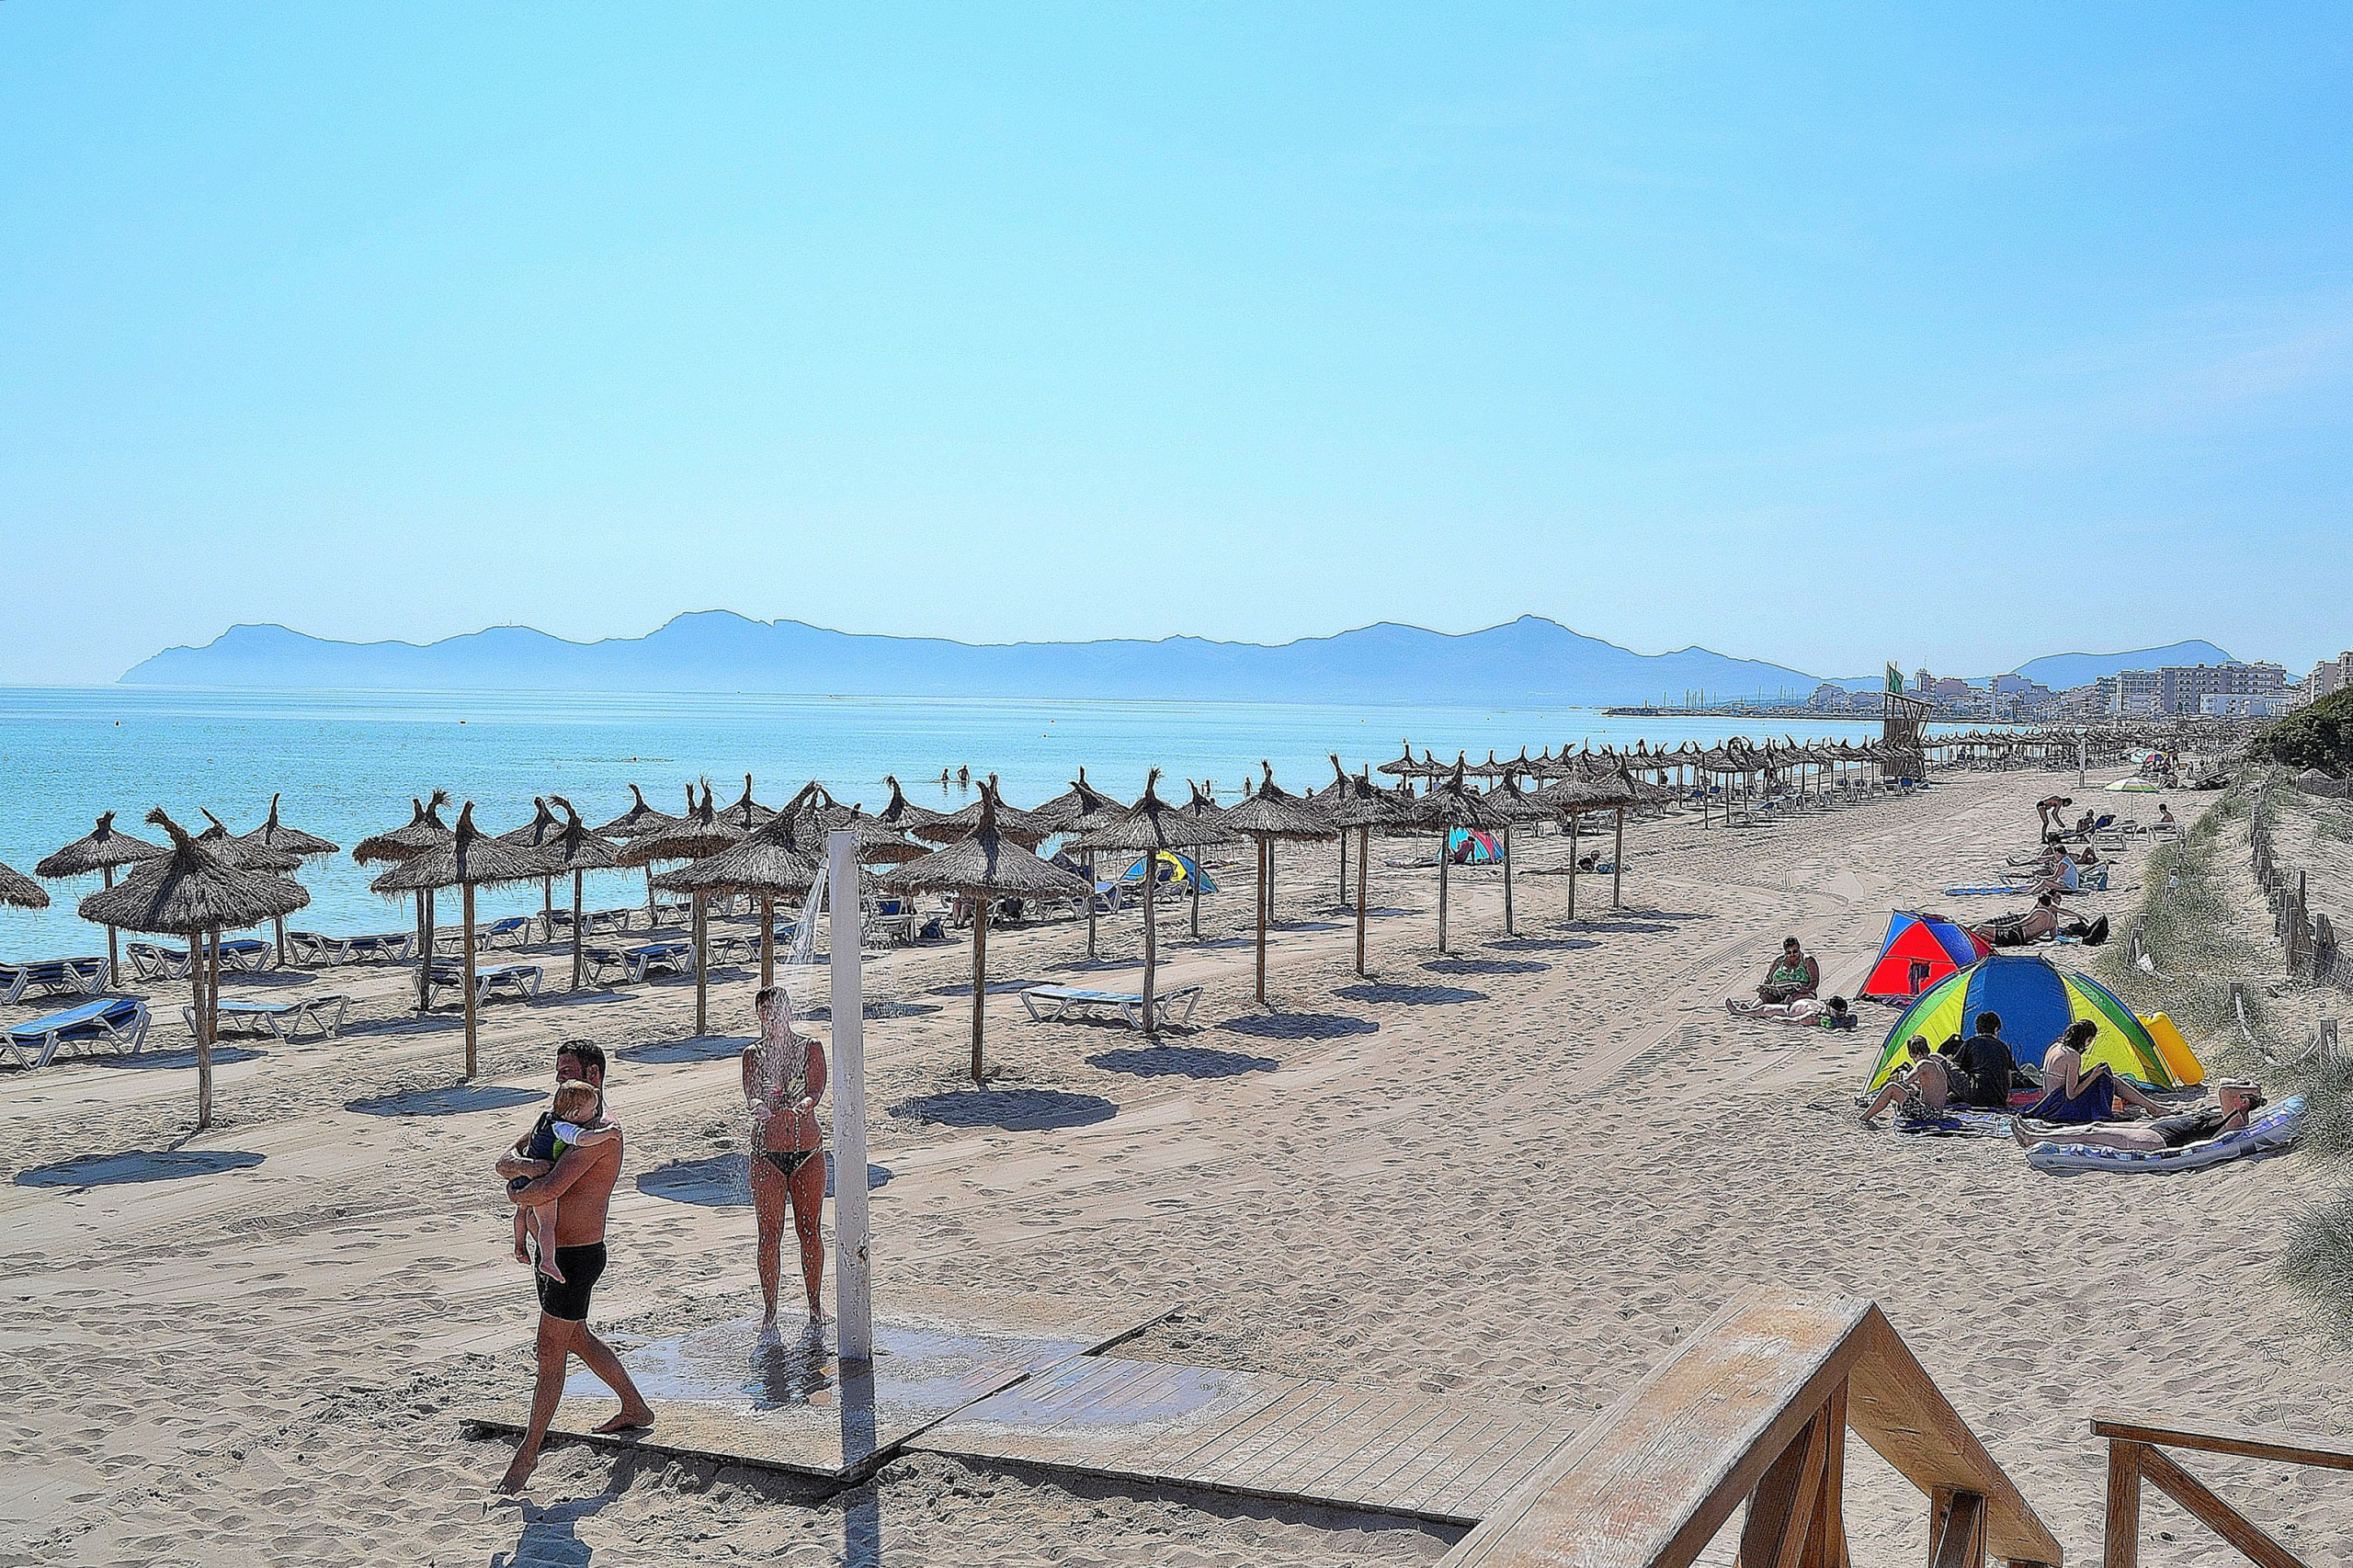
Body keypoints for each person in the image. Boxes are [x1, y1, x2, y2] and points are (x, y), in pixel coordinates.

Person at [494, 1040, 653, 1491]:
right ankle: (635, 1407)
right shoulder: (557, 1118)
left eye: (567, 1071)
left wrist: (520, 1187)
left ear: (593, 1076)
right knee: (576, 1337)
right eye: (557, 1071)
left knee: (550, 1350)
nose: (558, 1079)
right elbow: (505, 1161)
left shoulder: (602, 1132)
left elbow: (545, 1189)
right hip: (550, 1254)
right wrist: (525, 1172)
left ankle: (527, 1455)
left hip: (576, 1257)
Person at [742, 985, 829, 1329]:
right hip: (767, 1153)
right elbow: (751, 1093)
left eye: (778, 1009)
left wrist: (808, 1102)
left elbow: (816, 1088)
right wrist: (758, 1106)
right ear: (760, 1016)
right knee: (769, 1234)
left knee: (810, 1230)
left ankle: (815, 1306)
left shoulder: (810, 1047)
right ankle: (770, 1311)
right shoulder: (754, 1054)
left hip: (807, 1150)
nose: (773, 1016)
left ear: (789, 1012)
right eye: (766, 1011)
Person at [507, 1079, 619, 1281]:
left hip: (523, 1177)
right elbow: (583, 1139)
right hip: (538, 1179)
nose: (595, 1114)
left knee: (522, 1211)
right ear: (575, 1114)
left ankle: (519, 1244)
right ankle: (547, 1261)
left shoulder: (545, 1118)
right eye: (592, 1110)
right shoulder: (561, 1128)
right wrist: (607, 1133)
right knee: (547, 1224)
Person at [2013, 1082, 2267, 1153]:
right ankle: (2040, 1133)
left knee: (2093, 1133)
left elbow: (2224, 1087)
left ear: (2243, 1102)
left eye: (2241, 1096)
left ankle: (2033, 1138)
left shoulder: (2236, 1119)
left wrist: (2252, 1088)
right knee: (2097, 1125)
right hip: (2159, 1128)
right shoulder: (2230, 1112)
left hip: (2160, 1140)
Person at [2017, 1019, 2169, 1124]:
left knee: (2111, 1077)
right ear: (2087, 1039)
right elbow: (2071, 1094)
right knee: (2106, 1077)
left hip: (2049, 1100)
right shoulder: (2072, 1056)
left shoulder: (2055, 1047)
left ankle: (2152, 1106)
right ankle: (2152, 1107)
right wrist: (2093, 1076)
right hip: (2060, 1105)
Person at [1860, 1036, 1955, 1123]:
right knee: (1908, 1092)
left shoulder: (1923, 1064)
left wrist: (1903, 1073)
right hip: (1937, 1113)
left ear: (1911, 1054)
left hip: (1929, 1113)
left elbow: (1907, 1080)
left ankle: (1864, 1117)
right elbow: (1930, 1086)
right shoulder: (1936, 1065)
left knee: (1891, 1087)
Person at [1955, 1012, 2017, 1108]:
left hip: (1976, 1095)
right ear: (1996, 1029)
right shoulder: (2003, 1047)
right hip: (1999, 1098)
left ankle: (1939, 1098)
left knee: (1940, 1060)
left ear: (1977, 1029)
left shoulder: (1971, 1043)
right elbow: (2009, 1082)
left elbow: (1957, 1067)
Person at [1750, 937, 1819, 1006]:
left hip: (1802, 992)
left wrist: (1805, 989)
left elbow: (1814, 981)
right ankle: (1752, 1008)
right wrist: (1763, 987)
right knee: (1764, 997)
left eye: (1795, 952)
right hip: (1779, 993)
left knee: (1791, 999)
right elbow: (1768, 979)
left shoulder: (1807, 960)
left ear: (1799, 949)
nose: (1792, 955)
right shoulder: (1779, 961)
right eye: (1789, 952)